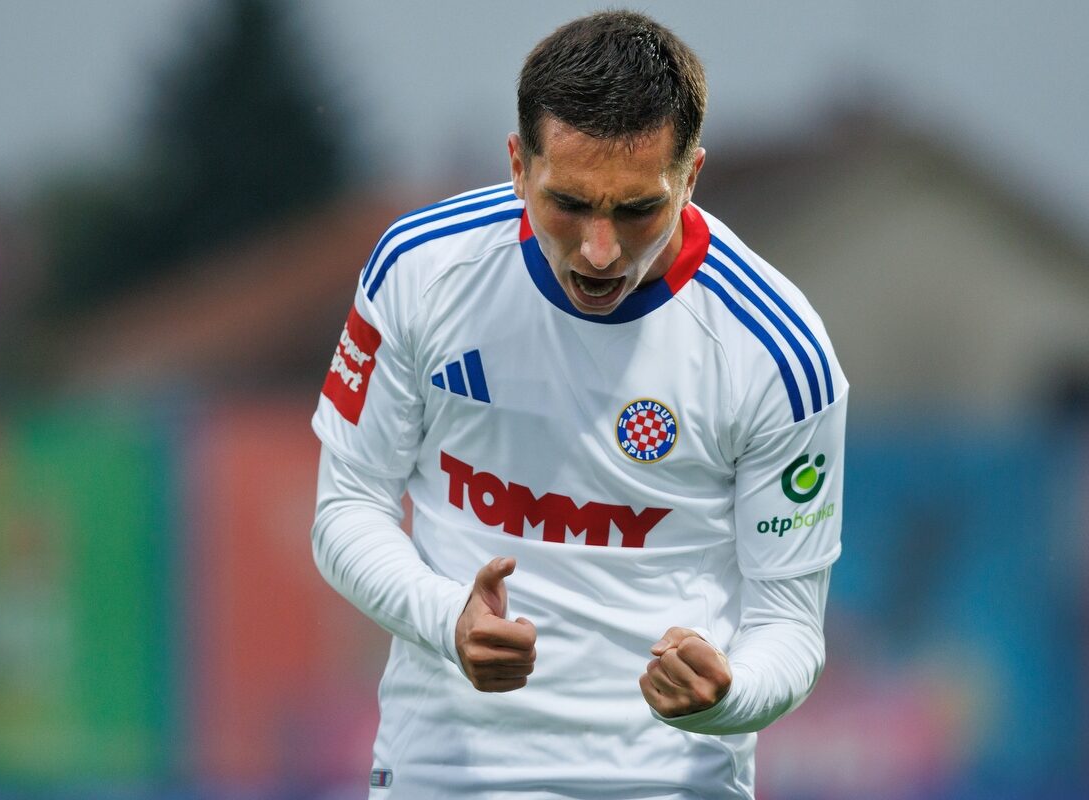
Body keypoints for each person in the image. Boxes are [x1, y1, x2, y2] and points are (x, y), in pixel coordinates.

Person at [311, 10, 847, 799]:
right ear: (517, 166)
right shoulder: (420, 272)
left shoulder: (778, 351)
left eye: (637, 210)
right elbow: (346, 509)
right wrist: (447, 615)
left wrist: (728, 694)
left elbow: (791, 628)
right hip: (447, 777)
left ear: (691, 177)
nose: (600, 250)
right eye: (569, 202)